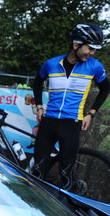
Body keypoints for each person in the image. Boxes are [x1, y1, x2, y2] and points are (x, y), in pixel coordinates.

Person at [32, 23, 109, 190]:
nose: (92, 53)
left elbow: (105, 89)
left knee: (66, 176)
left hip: (72, 124)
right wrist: (39, 107)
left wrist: (91, 113)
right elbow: (37, 83)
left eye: (95, 49)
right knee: (37, 172)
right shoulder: (51, 64)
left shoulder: (94, 66)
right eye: (90, 48)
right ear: (76, 45)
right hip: (49, 122)